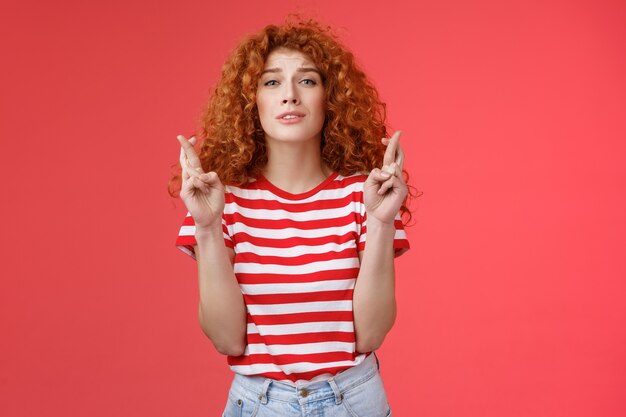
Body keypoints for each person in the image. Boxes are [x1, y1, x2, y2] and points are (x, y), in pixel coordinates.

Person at [170, 16, 414, 417]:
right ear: (252, 102)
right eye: (271, 82)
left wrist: (382, 222)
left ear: (329, 98)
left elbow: (370, 333)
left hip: (353, 401)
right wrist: (209, 228)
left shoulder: (365, 195)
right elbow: (228, 340)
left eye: (307, 80)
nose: (289, 96)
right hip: (258, 404)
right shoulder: (221, 200)